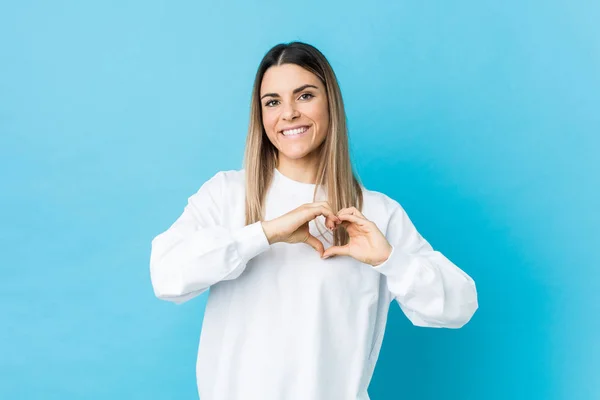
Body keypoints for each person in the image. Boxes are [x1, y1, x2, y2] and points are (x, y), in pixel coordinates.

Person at [149, 41, 478, 400]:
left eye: (304, 96)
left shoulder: (377, 212)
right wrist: (265, 233)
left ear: (330, 103)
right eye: (272, 102)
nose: (288, 113)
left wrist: (390, 260)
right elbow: (167, 276)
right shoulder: (227, 193)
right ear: (260, 115)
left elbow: (459, 306)